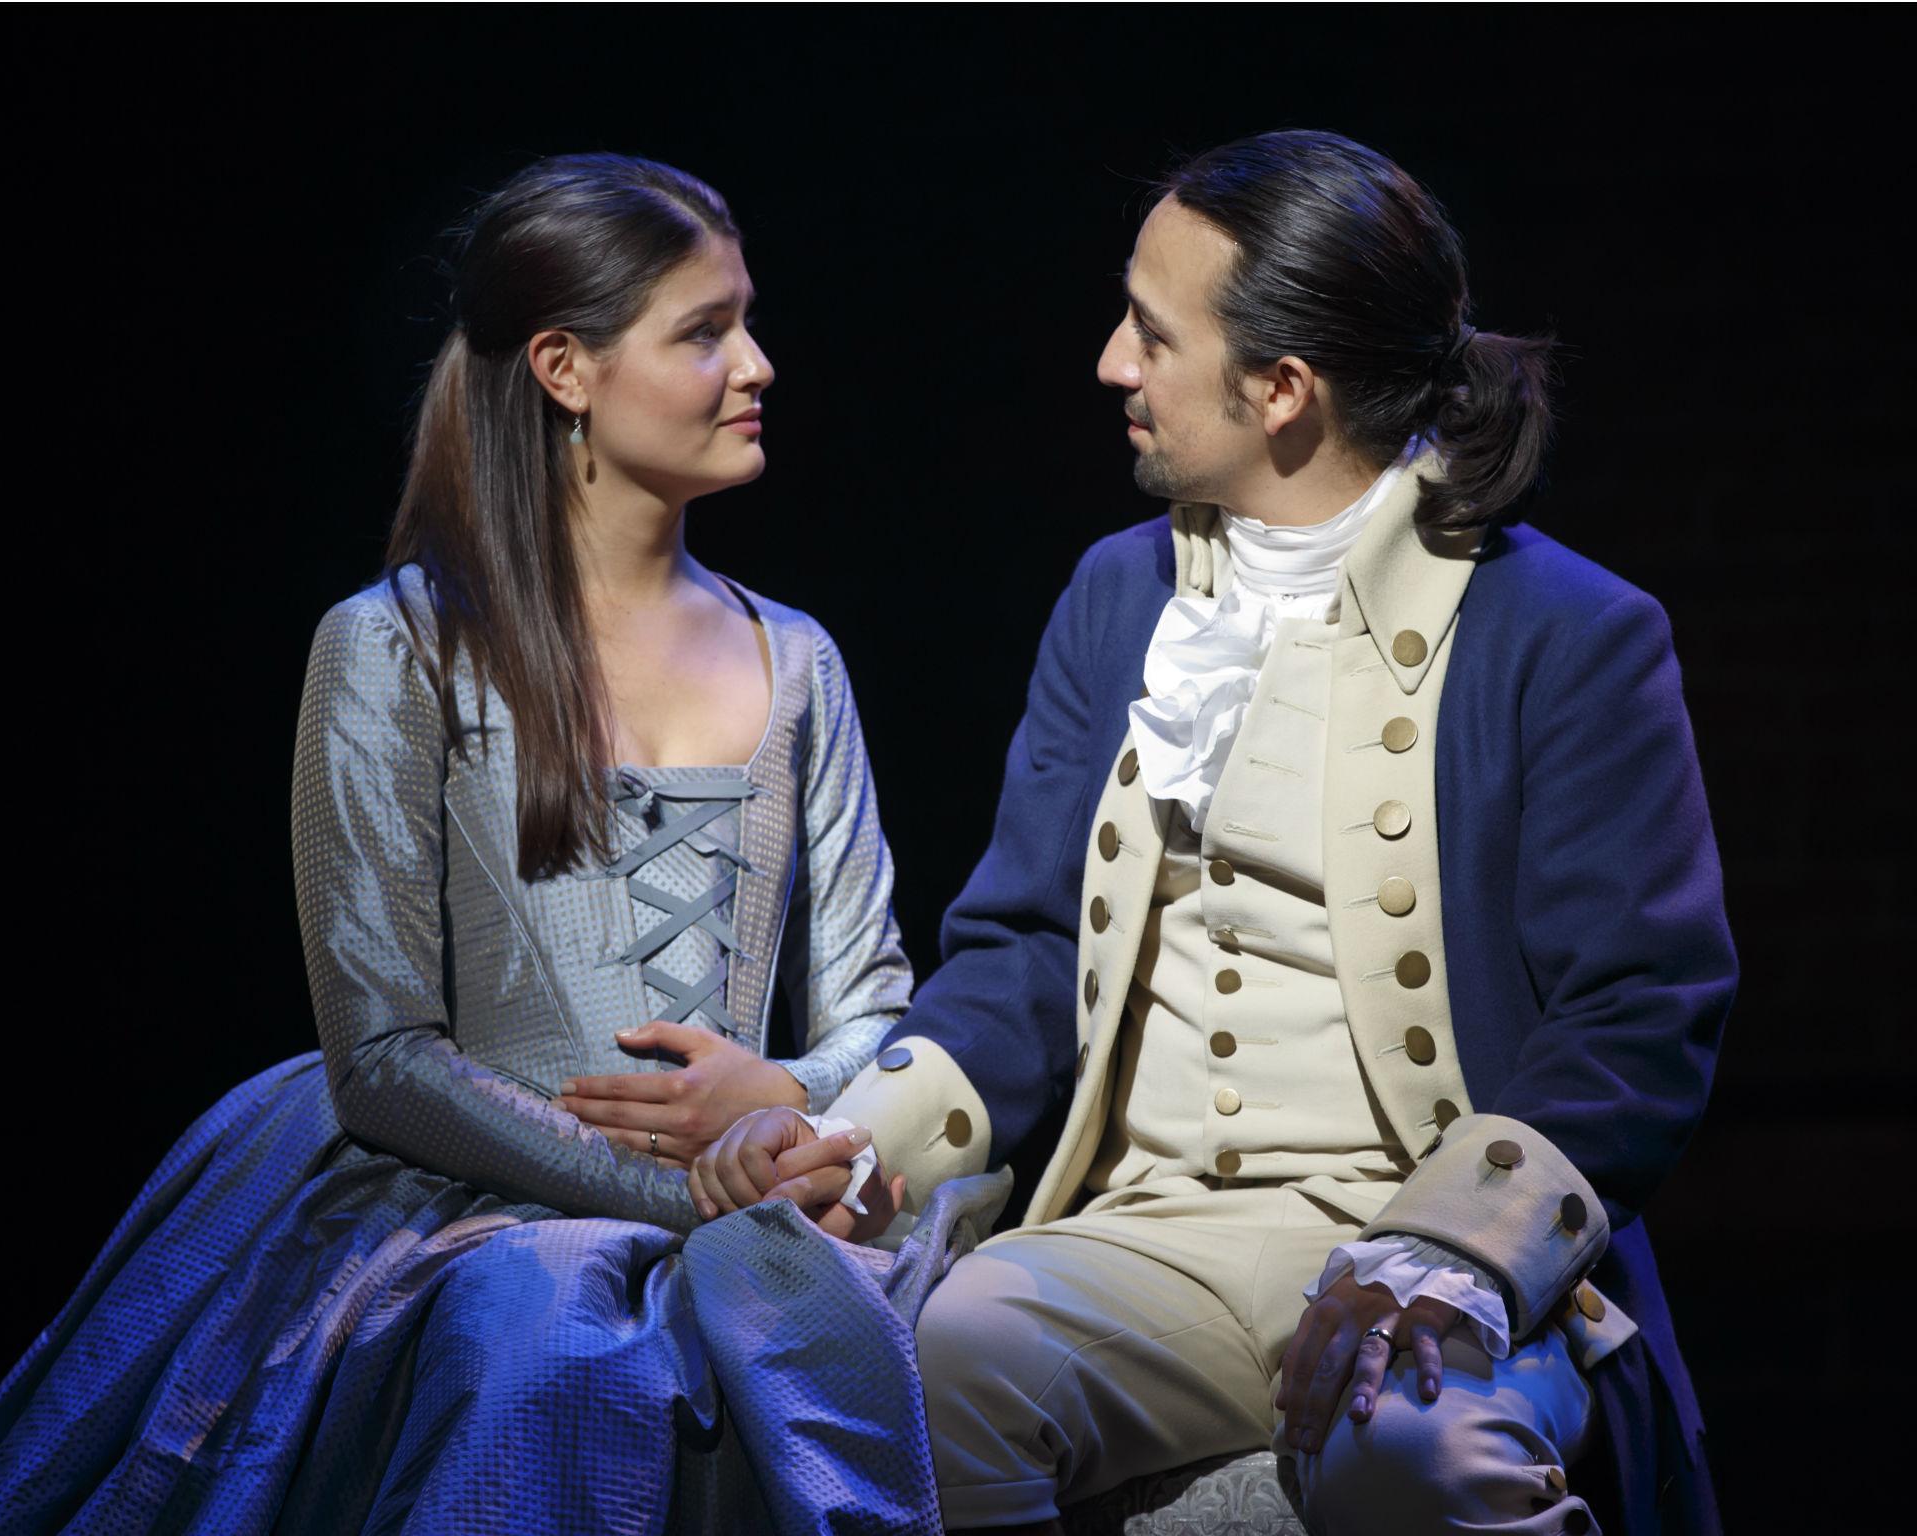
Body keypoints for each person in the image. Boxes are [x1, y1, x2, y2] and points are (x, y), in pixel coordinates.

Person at [701, 131, 1734, 1535]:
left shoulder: (1567, 636)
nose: (1113, 364)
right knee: (941, 1363)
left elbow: (1637, 1013)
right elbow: (1022, 951)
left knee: (1420, 1460)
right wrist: (858, 1139)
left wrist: (1456, 1254)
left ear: (1284, 391)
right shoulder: (1119, 600)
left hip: (1408, 1236)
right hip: (1148, 1238)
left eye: (1153, 332)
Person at [0, 153, 924, 1536]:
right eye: (704, 330)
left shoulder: (793, 660)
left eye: (744, 319)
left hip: (747, 1195)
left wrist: (782, 1113)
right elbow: (380, 1053)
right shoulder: (394, 648)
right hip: (471, 1195)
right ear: (565, 368)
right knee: (545, 1335)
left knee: (864, 1335)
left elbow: (873, 1003)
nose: (758, 363)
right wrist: (682, 1187)